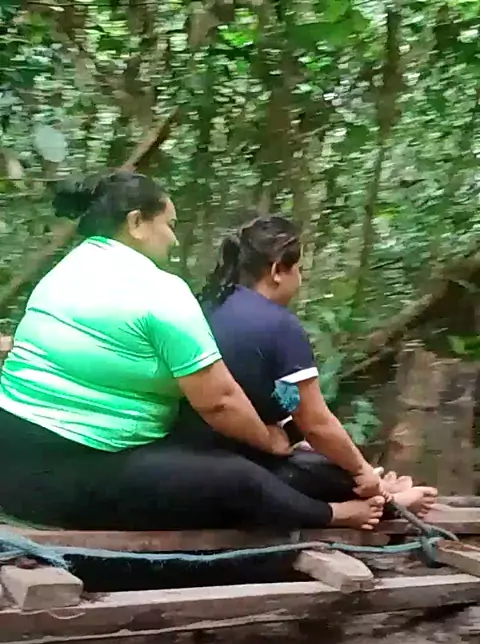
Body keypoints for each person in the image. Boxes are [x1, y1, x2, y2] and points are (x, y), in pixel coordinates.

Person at [0, 172, 384, 532]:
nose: (173, 238)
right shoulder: (159, 291)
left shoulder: (61, 273)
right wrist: (272, 440)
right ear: (136, 222)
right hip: (68, 475)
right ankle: (334, 515)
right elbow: (221, 402)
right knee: (239, 477)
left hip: (10, 457)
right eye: (168, 224)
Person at [174, 215, 437, 520]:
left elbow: (284, 398)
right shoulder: (278, 325)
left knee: (319, 458)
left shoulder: (204, 307)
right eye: (298, 269)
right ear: (277, 271)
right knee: (338, 472)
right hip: (244, 463)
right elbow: (316, 423)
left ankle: (376, 484)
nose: (300, 279)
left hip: (187, 454)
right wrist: (361, 471)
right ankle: (391, 500)